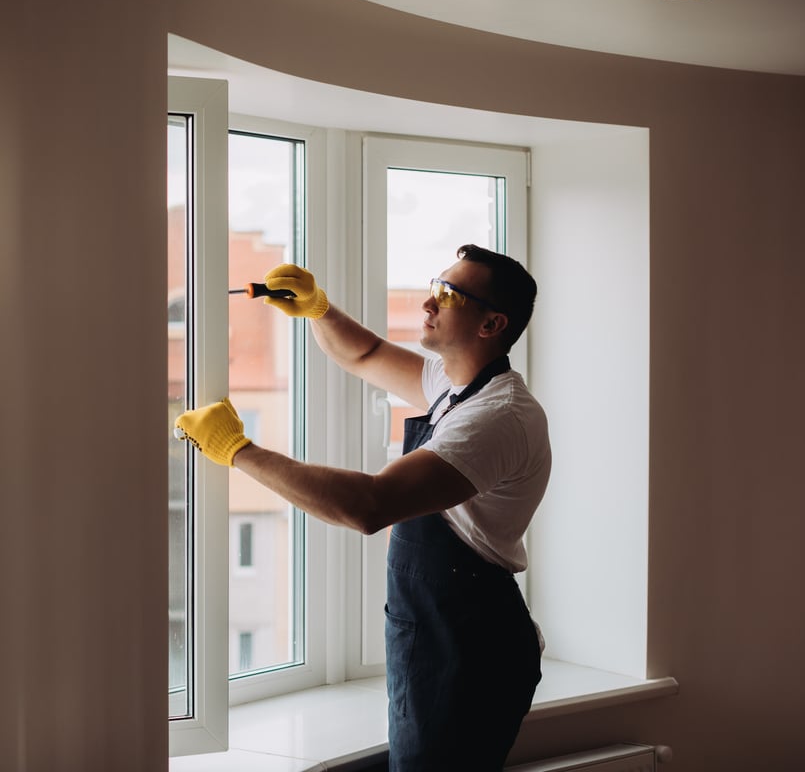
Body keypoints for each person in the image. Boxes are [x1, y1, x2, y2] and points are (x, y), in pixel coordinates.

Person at [174, 244, 550, 771]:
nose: (427, 304)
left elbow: (368, 505)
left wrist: (239, 451)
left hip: (469, 646)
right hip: (438, 629)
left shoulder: (496, 417)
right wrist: (318, 309)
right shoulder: (455, 386)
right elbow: (366, 355)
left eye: (446, 294)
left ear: (491, 323)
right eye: (434, 285)